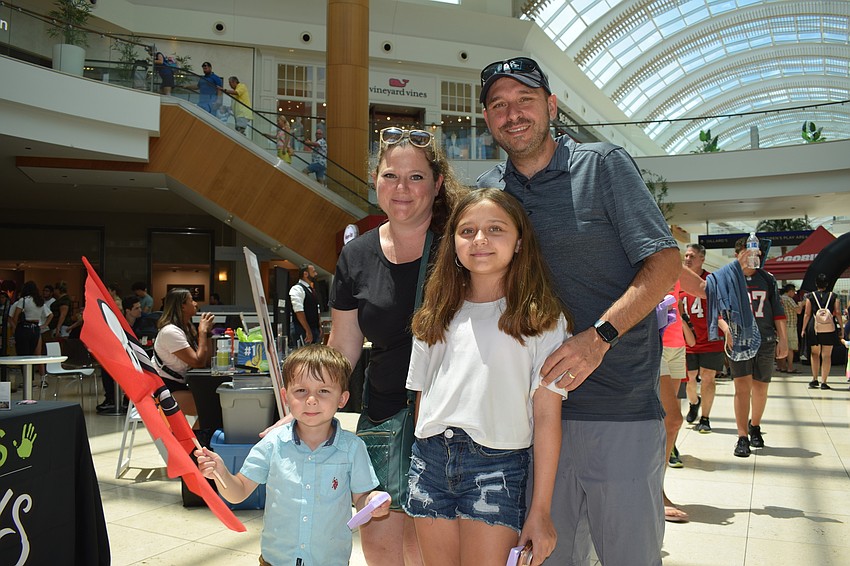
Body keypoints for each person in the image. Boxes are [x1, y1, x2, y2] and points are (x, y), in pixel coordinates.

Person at [477, 56, 681, 565]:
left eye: (525, 100)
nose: (513, 113)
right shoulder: (489, 194)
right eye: (499, 105)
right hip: (526, 424)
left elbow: (664, 261)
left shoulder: (604, 166)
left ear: (551, 105)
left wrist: (599, 336)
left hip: (617, 411)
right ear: (486, 119)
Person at [405, 188, 569, 565]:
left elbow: (546, 417)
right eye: (467, 231)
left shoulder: (542, 320)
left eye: (495, 229)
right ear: (453, 243)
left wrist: (540, 510)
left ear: (520, 242)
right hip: (429, 460)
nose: (479, 239)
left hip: (496, 467)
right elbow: (421, 400)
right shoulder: (434, 315)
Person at [328, 126, 463, 566]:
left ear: (438, 183)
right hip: (383, 417)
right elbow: (344, 344)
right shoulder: (356, 255)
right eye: (390, 176)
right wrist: (306, 405)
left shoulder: (461, 246)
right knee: (382, 551)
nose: (401, 188)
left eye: (416, 177)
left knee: (428, 550)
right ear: (374, 179)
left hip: (451, 421)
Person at [195, 344, 391, 565]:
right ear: (285, 395)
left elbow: (361, 499)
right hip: (276, 560)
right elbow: (238, 492)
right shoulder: (273, 443)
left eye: (324, 391)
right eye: (301, 391)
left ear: (343, 399)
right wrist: (221, 472)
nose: (311, 400)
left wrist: (373, 503)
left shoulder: (353, 448)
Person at [721, 238, 787, 457]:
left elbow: (777, 311)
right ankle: (742, 437)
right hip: (740, 340)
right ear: (738, 253)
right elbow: (718, 312)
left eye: (757, 253)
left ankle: (755, 426)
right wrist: (727, 330)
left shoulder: (767, 279)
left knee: (760, 388)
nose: (754, 256)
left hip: (766, 339)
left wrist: (783, 340)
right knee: (742, 387)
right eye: (749, 252)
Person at [658, 282, 696, 523]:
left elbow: (704, 288)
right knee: (672, 420)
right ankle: (655, 492)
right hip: (657, 343)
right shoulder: (647, 250)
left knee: (665, 424)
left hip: (676, 346)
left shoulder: (675, 264)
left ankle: (656, 489)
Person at [679, 243, 726, 433]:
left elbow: (721, 310)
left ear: (702, 259)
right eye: (686, 256)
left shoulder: (711, 281)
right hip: (687, 341)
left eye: (692, 256)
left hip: (711, 339)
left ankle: (705, 418)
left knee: (708, 378)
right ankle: (694, 402)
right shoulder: (678, 280)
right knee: (689, 379)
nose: (687, 259)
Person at [152, 288, 214, 421]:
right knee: (211, 406)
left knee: (216, 402)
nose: (196, 304)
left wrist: (207, 333)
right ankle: (198, 439)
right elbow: (198, 362)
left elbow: (207, 361)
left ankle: (197, 438)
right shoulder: (170, 332)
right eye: (191, 300)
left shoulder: (186, 329)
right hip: (166, 389)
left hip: (180, 385)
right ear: (182, 306)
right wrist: (202, 332)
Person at [97, 295, 143, 413]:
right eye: (137, 308)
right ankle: (111, 398)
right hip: (120, 356)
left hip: (137, 356)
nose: (140, 310)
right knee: (107, 368)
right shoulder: (118, 325)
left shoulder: (142, 323)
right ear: (128, 311)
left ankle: (128, 400)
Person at [801, 273, 841, 390]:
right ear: (827, 284)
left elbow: (807, 314)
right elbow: (837, 312)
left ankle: (814, 379)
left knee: (815, 354)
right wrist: (841, 328)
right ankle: (824, 381)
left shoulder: (810, 296)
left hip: (814, 327)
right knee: (827, 355)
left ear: (816, 284)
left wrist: (803, 329)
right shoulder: (834, 296)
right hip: (829, 327)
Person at [9, 281, 52, 359]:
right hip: (35, 328)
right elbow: (50, 315)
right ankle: (30, 370)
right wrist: (45, 325)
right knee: (33, 353)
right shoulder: (40, 301)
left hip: (24, 327)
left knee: (23, 353)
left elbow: (15, 316)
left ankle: (24, 370)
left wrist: (15, 328)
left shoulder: (24, 300)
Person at [289, 264, 322, 348]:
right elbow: (299, 311)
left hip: (314, 329)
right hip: (302, 330)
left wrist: (319, 326)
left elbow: (316, 309)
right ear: (305, 274)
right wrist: (308, 331)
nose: (316, 274)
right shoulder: (297, 289)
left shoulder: (311, 289)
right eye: (313, 272)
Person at [778, 284, 803, 374]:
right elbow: (798, 311)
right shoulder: (788, 299)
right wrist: (801, 303)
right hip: (790, 325)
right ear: (790, 291)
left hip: (781, 325)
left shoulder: (780, 298)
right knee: (790, 347)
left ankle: (782, 366)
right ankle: (790, 367)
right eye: (794, 292)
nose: (794, 294)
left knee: (781, 346)